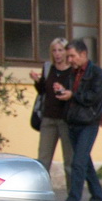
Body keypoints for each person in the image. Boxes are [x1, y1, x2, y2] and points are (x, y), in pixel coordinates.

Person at [58, 39, 102, 201]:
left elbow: (93, 97)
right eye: (68, 56)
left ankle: (74, 199)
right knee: (85, 161)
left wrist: (72, 95)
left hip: (89, 121)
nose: (69, 60)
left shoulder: (96, 73)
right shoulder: (72, 73)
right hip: (73, 121)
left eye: (72, 56)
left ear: (83, 54)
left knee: (78, 161)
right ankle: (98, 197)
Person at [32, 39, 75, 181]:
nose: (57, 54)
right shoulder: (48, 67)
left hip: (66, 120)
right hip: (48, 118)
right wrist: (37, 81)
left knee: (69, 161)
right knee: (43, 161)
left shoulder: (73, 70)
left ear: (66, 52)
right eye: (54, 50)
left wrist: (64, 91)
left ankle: (73, 196)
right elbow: (43, 91)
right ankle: (41, 191)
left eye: (60, 50)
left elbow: (76, 93)